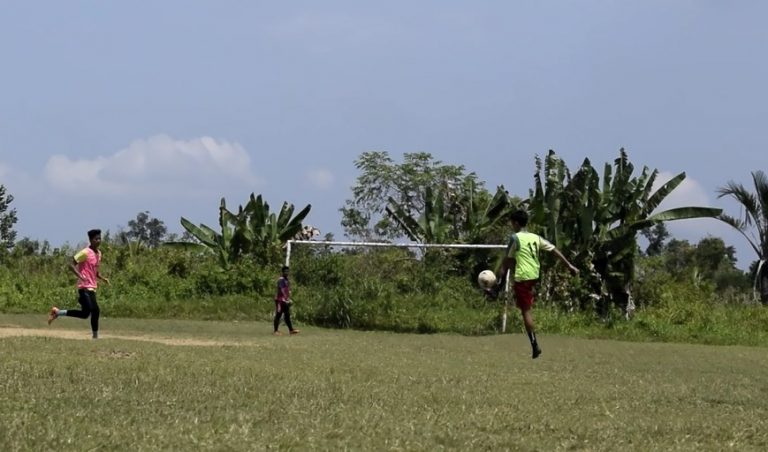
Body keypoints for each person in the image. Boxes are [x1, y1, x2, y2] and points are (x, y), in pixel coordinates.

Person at [493, 210, 578, 359]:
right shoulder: (535, 237)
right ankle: (498, 289)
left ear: (516, 223)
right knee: (513, 261)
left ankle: (534, 346)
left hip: (523, 276)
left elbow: (506, 261)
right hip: (534, 275)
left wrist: (497, 277)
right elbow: (554, 250)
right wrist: (569, 266)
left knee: (525, 311)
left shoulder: (515, 238)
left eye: (512, 222)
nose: (511, 225)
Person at [47, 229, 110, 338]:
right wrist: (80, 276)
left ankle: (57, 312)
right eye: (96, 239)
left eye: (100, 238)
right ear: (91, 240)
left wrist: (102, 278)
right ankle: (95, 337)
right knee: (95, 309)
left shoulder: (99, 254)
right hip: (84, 287)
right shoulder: (85, 252)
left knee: (85, 314)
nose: (98, 241)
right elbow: (71, 265)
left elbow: (94, 270)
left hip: (92, 287)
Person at [273, 265, 299, 336]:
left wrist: (288, 298)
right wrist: (286, 299)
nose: (287, 273)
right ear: (282, 272)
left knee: (287, 315)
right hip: (280, 300)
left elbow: (287, 290)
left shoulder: (286, 279)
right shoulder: (281, 279)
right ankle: (275, 331)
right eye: (285, 271)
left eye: (288, 271)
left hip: (284, 300)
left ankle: (291, 330)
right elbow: (282, 290)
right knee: (278, 315)